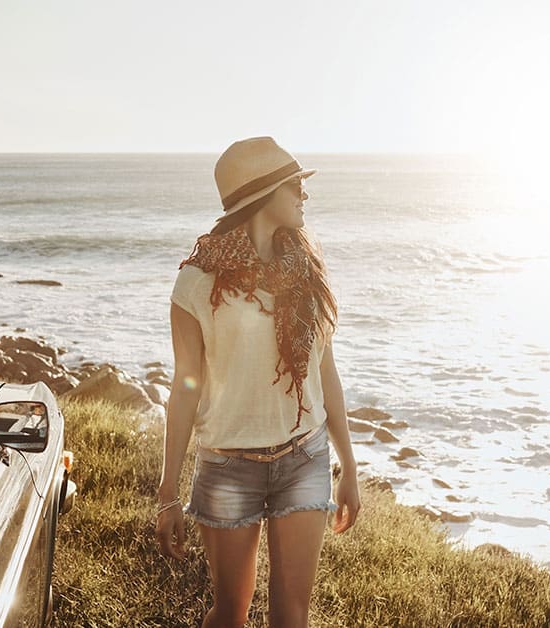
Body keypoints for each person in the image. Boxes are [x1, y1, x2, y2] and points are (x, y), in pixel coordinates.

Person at [156, 137, 360, 627]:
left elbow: (324, 372)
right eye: (295, 184)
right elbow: (184, 389)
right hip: (229, 465)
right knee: (230, 613)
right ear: (261, 193)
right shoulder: (198, 284)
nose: (304, 195)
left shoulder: (306, 271)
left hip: (304, 457)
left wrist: (348, 466)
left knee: (292, 616)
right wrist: (167, 493)